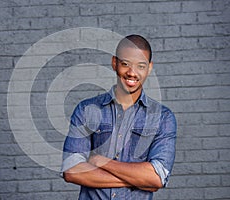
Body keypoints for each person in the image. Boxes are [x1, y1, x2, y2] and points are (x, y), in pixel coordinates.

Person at [61, 34, 177, 199]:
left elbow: (157, 177)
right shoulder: (86, 110)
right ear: (114, 63)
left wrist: (101, 161)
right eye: (125, 64)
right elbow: (72, 171)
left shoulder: (163, 118)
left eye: (141, 66)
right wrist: (140, 180)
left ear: (149, 68)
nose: (132, 73)